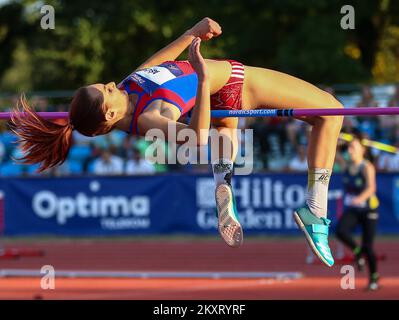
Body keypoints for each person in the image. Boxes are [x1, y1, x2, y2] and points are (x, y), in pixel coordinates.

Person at [9, 18, 343, 266]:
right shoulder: (149, 117)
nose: (111, 82)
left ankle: (223, 181)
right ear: (109, 116)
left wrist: (191, 34)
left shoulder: (130, 86)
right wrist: (201, 77)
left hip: (216, 96)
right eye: (106, 89)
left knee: (228, 131)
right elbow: (197, 140)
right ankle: (315, 210)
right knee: (331, 111)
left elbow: (161, 60)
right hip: (235, 83)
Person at [336, 133, 380, 290]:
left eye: (353, 147)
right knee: (340, 231)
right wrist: (335, 138)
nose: (350, 149)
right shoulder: (346, 165)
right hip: (354, 209)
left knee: (368, 247)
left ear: (362, 150)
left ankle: (374, 278)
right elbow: (333, 152)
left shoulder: (367, 166)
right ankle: (357, 251)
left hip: (369, 210)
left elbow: (371, 188)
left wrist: (359, 198)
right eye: (349, 147)